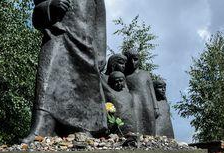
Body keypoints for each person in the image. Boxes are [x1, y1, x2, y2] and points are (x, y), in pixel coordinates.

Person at [22, 0, 107, 143]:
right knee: (47, 77)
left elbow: (100, 21)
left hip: (86, 41)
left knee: (85, 84)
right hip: (57, 35)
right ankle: (42, 126)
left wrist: (101, 51)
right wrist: (50, 5)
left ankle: (83, 128)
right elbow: (37, 12)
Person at [123, 49, 160, 135]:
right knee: (137, 122)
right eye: (130, 60)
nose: (133, 62)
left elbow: (152, 91)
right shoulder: (125, 76)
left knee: (149, 121)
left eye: (135, 59)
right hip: (134, 103)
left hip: (147, 102)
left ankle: (151, 140)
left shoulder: (145, 74)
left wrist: (156, 107)